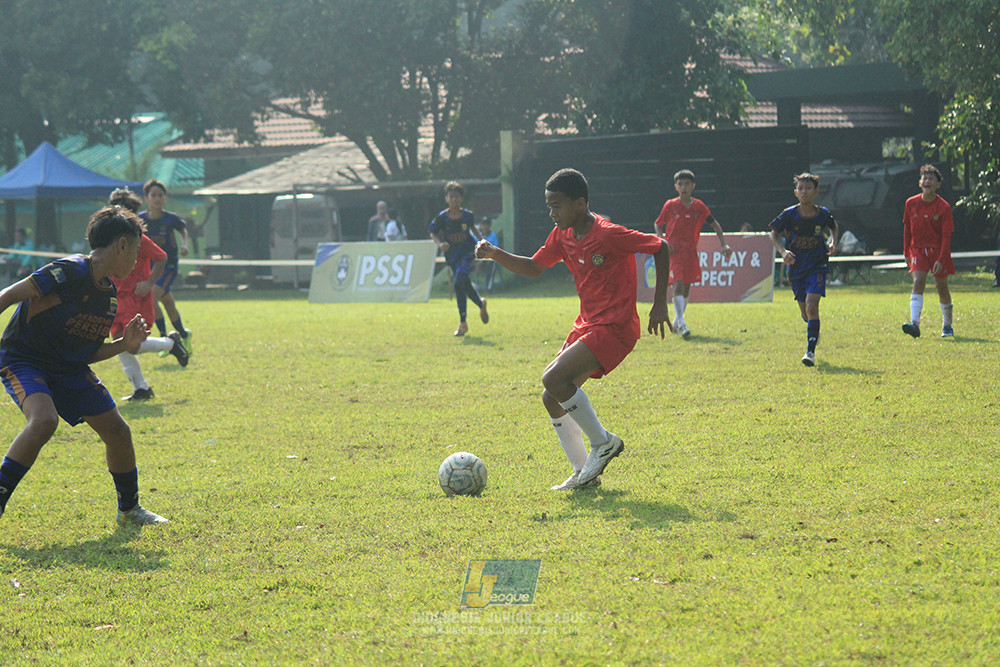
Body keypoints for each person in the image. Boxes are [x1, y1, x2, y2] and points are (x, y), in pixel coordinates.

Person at [475, 168, 671, 489]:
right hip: (588, 324)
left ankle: (604, 442)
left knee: (553, 378)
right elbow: (534, 268)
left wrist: (660, 302)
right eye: (549, 206)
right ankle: (584, 472)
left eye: (558, 205)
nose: (552, 213)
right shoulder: (562, 235)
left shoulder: (608, 234)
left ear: (580, 204)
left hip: (615, 326)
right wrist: (496, 254)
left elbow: (661, 246)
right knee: (552, 397)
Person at [0, 206, 168, 525]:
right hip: (25, 359)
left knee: (118, 431)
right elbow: (8, 294)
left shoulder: (109, 294)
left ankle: (129, 509)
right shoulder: (70, 270)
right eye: (134, 251)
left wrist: (125, 345)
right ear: (121, 244)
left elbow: (86, 353)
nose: (136, 261)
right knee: (44, 420)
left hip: (68, 368)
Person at [108, 188, 189, 402]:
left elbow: (161, 257)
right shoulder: (110, 238)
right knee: (120, 343)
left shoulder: (138, 239)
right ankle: (141, 388)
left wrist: (149, 282)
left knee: (130, 345)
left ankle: (170, 344)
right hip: (116, 299)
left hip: (136, 299)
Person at [768, 172, 839, 367]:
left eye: (808, 188)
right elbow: (772, 234)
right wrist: (783, 252)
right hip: (796, 266)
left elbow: (833, 226)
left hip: (818, 264)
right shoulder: (789, 214)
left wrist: (833, 241)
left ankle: (810, 351)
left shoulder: (822, 213)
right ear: (795, 192)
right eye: (801, 189)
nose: (804, 192)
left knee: (811, 305)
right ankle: (812, 328)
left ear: (816, 192)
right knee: (806, 311)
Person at [653, 169, 732, 338]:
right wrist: (662, 241)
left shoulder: (699, 206)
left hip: (690, 252)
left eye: (687, 184)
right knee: (678, 284)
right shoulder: (670, 205)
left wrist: (724, 244)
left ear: (693, 186)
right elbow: (658, 224)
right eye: (680, 184)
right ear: (676, 187)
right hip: (674, 253)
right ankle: (681, 322)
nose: (684, 187)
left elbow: (715, 224)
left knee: (686, 287)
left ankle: (677, 320)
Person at [901, 165, 956, 338]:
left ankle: (947, 325)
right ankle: (914, 323)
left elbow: (946, 236)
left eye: (931, 178)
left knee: (941, 287)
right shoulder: (911, 203)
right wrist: (906, 251)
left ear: (938, 184)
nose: (927, 181)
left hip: (938, 251)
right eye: (925, 178)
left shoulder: (943, 207)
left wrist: (941, 259)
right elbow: (907, 230)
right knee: (918, 281)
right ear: (919, 183)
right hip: (917, 250)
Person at [429, 182, 488, 336]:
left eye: (457, 196)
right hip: (452, 255)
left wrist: (482, 242)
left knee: (458, 283)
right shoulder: (442, 217)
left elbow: (473, 229)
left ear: (462, 198)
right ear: (446, 198)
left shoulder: (467, 215)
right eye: (451, 196)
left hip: (467, 252)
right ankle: (480, 303)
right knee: (465, 284)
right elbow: (433, 232)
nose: (454, 199)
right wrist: (440, 244)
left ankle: (463, 323)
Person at [140, 180, 192, 353]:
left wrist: (185, 245)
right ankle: (184, 335)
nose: (157, 198)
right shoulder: (140, 220)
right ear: (147, 198)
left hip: (168, 266)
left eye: (160, 195)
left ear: (165, 198)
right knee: (168, 304)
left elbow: (183, 230)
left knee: (151, 297)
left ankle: (166, 338)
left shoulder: (170, 218)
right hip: (151, 267)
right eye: (153, 195)